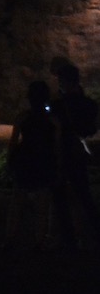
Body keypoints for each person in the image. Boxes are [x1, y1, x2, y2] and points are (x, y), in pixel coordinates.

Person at [49, 59, 99, 249]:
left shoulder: (57, 105)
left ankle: (68, 237)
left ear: (63, 82)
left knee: (59, 195)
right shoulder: (89, 104)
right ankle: (95, 230)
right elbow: (90, 129)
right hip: (77, 151)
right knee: (84, 194)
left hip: (61, 151)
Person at [3, 80, 59, 250]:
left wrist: (10, 162)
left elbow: (13, 142)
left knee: (17, 203)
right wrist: (59, 166)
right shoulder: (53, 121)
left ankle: (10, 238)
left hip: (26, 159)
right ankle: (39, 240)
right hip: (44, 161)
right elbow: (57, 146)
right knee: (42, 205)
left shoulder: (23, 117)